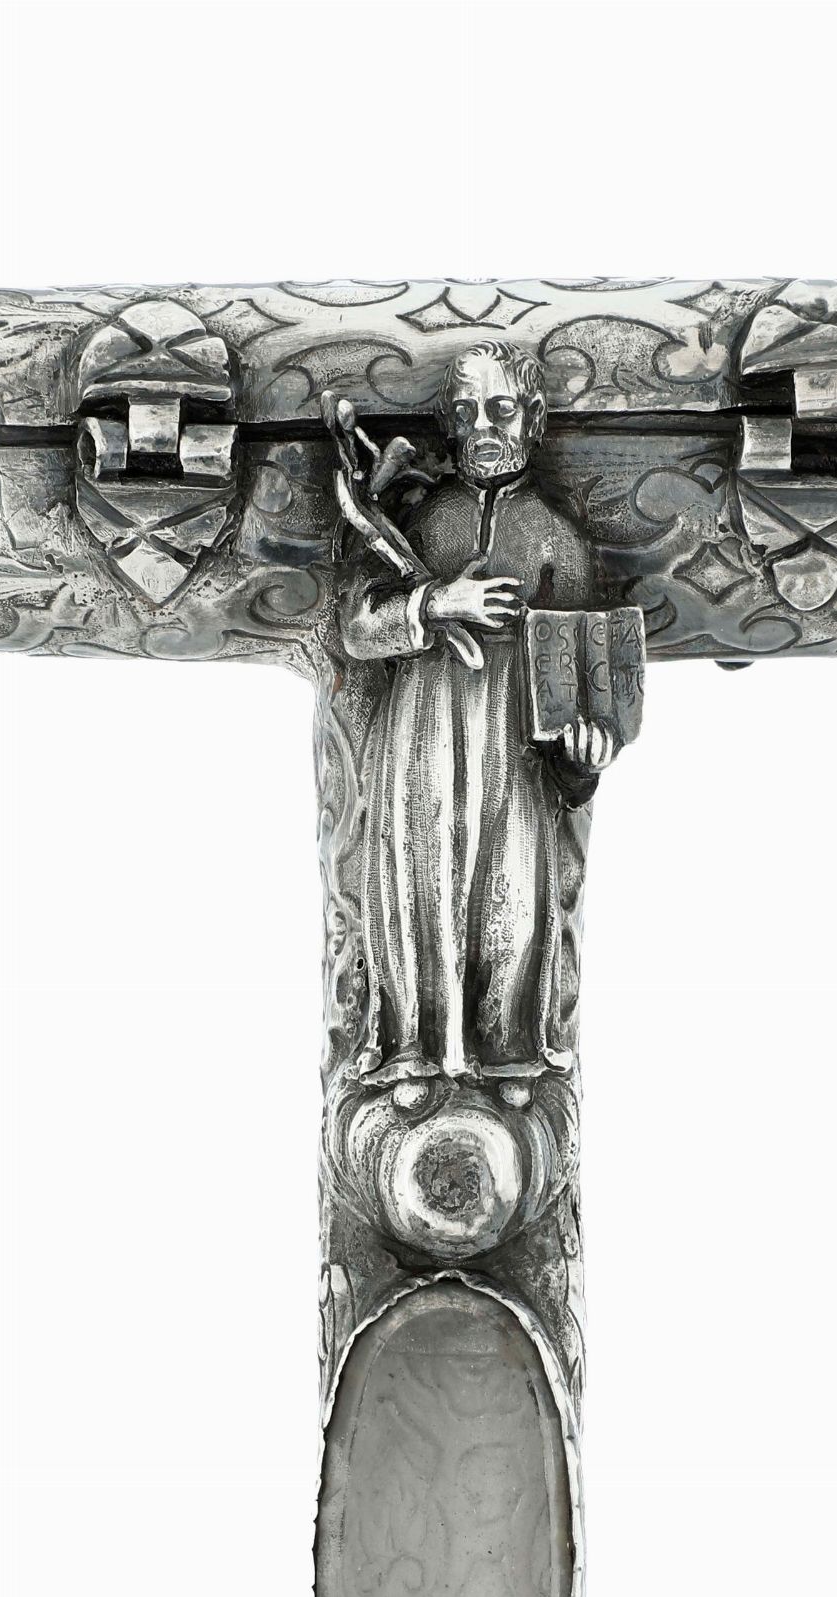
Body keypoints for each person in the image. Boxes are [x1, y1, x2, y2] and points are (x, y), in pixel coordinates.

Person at [337, 344, 618, 1085]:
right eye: (466, 413)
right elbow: (357, 628)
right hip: (421, 735)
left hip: (510, 747)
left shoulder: (557, 538)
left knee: (513, 891)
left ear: (533, 417)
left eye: (500, 409)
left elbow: (583, 688)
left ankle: (506, 1053)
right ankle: (410, 1048)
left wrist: (581, 761)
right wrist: (436, 602)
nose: (483, 428)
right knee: (418, 882)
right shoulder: (424, 520)